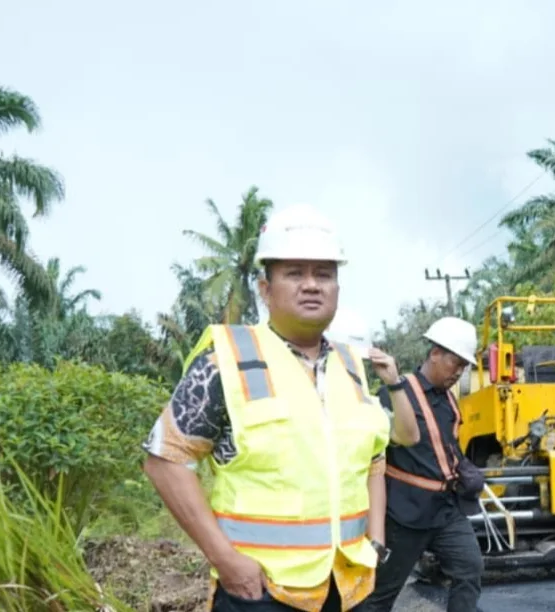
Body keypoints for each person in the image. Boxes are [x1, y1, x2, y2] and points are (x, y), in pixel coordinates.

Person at [141, 203, 419, 612]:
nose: (312, 285)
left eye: (323, 274)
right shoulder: (227, 359)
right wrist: (225, 560)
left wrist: (374, 541)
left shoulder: (351, 366)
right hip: (262, 592)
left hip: (348, 586)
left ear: (337, 288)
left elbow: (374, 458)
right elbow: (166, 458)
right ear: (265, 289)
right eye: (294, 273)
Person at [361, 316, 485, 612]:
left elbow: (447, 447)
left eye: (464, 366)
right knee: (381, 593)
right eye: (455, 363)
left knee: (470, 569)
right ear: (435, 353)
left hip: (445, 510)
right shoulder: (394, 393)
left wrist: (464, 468)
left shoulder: (449, 401)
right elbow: (376, 455)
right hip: (404, 513)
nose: (459, 371)